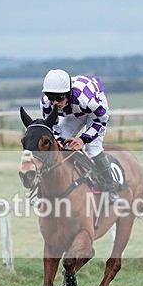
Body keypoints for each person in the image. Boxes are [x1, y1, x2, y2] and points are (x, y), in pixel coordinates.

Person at [40, 69, 121, 200]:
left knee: (92, 148)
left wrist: (83, 139)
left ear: (68, 93)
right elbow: (52, 126)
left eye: (59, 98)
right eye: (51, 97)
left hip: (94, 113)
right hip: (73, 111)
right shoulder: (46, 103)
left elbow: (101, 120)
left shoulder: (86, 100)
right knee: (62, 146)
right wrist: (59, 140)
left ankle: (111, 185)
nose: (55, 102)